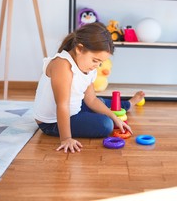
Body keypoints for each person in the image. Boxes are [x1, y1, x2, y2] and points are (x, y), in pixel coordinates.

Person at [33, 22, 145, 154]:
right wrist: (66, 139)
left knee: (102, 104)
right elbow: (62, 105)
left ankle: (128, 104)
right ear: (80, 49)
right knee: (105, 125)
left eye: (100, 62)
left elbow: (91, 100)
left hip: (74, 109)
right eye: (95, 60)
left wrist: (114, 117)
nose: (96, 66)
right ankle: (122, 107)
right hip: (52, 122)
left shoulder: (89, 67)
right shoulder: (62, 65)